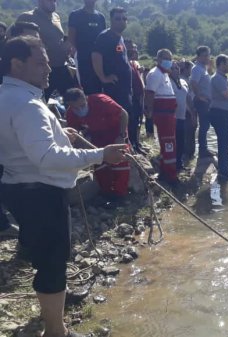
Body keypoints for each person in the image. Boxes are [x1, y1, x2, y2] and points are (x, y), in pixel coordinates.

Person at [0, 36, 126, 337]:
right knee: (54, 260)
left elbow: (26, 142)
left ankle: (57, 296)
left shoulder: (8, 95)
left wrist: (58, 133)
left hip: (19, 186)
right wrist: (100, 154)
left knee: (45, 254)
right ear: (17, 64)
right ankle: (57, 331)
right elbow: (45, 156)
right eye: (40, 62)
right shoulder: (27, 103)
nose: (49, 68)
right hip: (40, 191)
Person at [64, 88, 130, 200]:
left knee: (121, 163)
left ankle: (120, 194)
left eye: (82, 105)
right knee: (100, 165)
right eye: (76, 107)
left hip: (115, 132)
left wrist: (122, 136)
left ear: (85, 98)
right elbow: (74, 132)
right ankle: (106, 193)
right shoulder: (71, 114)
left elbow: (123, 114)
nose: (80, 109)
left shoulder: (101, 101)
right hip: (97, 137)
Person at [16, 0, 76, 101]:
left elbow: (58, 38)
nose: (53, 3)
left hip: (61, 66)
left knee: (73, 98)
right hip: (43, 70)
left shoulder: (56, 16)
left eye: (55, 1)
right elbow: (14, 39)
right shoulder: (27, 17)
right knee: (40, 101)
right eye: (50, 1)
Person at [145, 49, 178, 184]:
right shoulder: (155, 74)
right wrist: (149, 110)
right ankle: (170, 176)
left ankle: (167, 171)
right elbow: (149, 94)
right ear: (158, 59)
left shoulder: (164, 74)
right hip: (163, 116)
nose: (169, 61)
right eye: (166, 58)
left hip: (169, 115)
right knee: (168, 144)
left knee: (168, 144)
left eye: (170, 58)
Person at [91, 7, 132, 112]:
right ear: (111, 20)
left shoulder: (120, 38)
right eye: (118, 18)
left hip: (124, 90)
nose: (122, 21)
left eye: (124, 18)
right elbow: (96, 56)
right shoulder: (105, 36)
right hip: (113, 90)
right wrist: (103, 77)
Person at [210, 54, 228, 181]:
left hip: (224, 114)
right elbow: (227, 94)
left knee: (226, 143)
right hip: (219, 114)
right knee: (224, 143)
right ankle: (223, 171)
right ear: (221, 64)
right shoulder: (217, 78)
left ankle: (225, 168)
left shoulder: (223, 78)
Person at [68, 0, 106, 95]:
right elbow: (71, 38)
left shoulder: (100, 17)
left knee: (99, 90)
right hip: (83, 60)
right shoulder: (75, 15)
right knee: (86, 90)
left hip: (98, 60)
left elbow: (103, 39)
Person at [190, 46, 214, 158]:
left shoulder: (203, 68)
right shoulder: (197, 69)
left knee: (205, 125)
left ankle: (204, 148)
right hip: (201, 102)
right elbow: (193, 83)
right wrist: (200, 96)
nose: (207, 58)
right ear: (198, 57)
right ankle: (202, 150)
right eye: (204, 55)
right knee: (204, 125)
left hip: (206, 101)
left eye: (208, 55)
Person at [124, 39, 146, 154]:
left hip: (138, 97)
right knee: (131, 123)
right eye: (129, 47)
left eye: (133, 48)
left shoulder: (133, 63)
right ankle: (132, 145)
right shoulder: (123, 62)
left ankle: (137, 144)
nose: (132, 50)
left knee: (137, 122)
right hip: (130, 98)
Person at [170, 62, 190, 170]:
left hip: (182, 116)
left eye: (177, 68)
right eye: (173, 68)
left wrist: (192, 113)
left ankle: (179, 164)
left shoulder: (182, 81)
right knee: (174, 142)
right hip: (173, 117)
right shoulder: (167, 82)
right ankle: (173, 164)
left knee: (181, 142)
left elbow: (186, 99)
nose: (175, 70)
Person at [180, 60, 197, 160]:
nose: (192, 71)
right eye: (191, 68)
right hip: (188, 110)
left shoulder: (187, 79)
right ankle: (187, 155)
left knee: (191, 131)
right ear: (186, 69)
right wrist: (192, 113)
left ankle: (190, 154)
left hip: (190, 109)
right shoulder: (183, 80)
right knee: (189, 132)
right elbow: (185, 98)